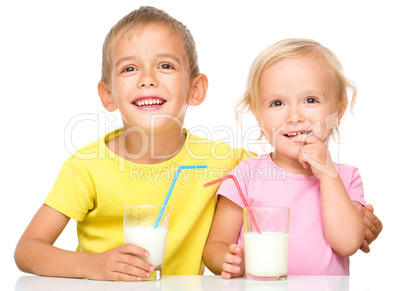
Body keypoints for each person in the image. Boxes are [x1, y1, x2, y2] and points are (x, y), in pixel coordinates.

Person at [14, 6, 248, 281]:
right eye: (129, 68)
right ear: (108, 95)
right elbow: (27, 250)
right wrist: (90, 265)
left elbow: (286, 169)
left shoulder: (224, 161)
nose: (147, 80)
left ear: (195, 89)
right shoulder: (87, 168)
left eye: (165, 66)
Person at [203, 38, 383, 279]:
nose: (294, 116)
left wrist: (327, 173)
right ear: (259, 117)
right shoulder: (245, 174)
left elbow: (348, 243)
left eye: (310, 100)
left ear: (338, 113)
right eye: (277, 103)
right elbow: (215, 245)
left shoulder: (346, 177)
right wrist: (229, 260)